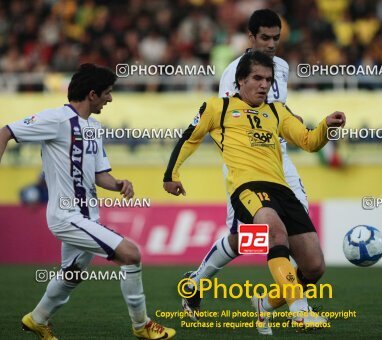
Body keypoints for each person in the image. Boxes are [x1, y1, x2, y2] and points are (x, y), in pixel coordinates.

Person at [163, 51, 345, 331]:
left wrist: (326, 127)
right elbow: (190, 138)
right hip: (246, 187)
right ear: (240, 81)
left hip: (282, 190)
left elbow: (308, 141)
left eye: (268, 80)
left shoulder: (277, 111)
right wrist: (171, 174)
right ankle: (299, 312)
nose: (263, 85)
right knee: (274, 233)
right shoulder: (218, 108)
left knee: (313, 266)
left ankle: (266, 304)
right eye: (257, 78)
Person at [0, 63, 175, 340]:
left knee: (72, 275)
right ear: (92, 94)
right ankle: (142, 326)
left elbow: (99, 175)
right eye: (107, 93)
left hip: (88, 216)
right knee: (131, 254)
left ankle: (37, 319)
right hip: (66, 216)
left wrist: (118, 184)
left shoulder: (93, 126)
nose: (110, 99)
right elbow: (6, 131)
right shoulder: (57, 119)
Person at [170, 9, 313, 335]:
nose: (272, 44)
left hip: (280, 160)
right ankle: (196, 283)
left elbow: (276, 112)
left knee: (298, 232)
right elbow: (225, 124)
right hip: (244, 164)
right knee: (245, 239)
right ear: (250, 38)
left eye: (276, 38)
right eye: (265, 38)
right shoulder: (234, 72)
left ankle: (287, 301)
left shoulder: (282, 67)